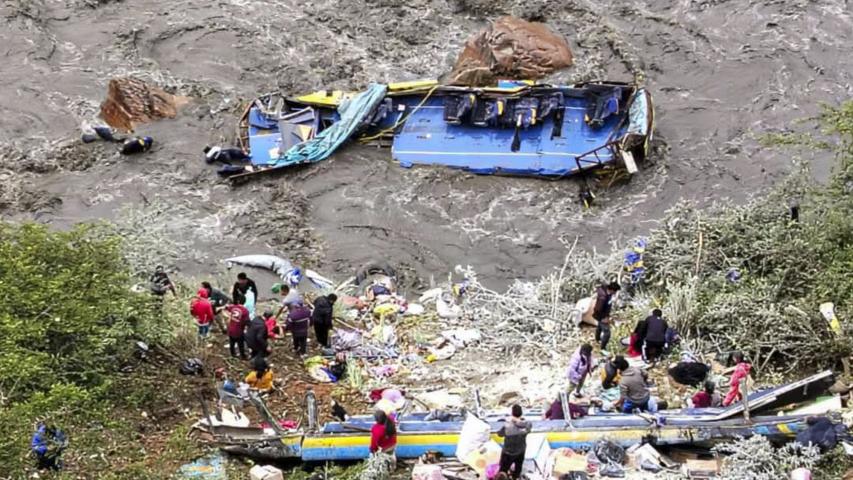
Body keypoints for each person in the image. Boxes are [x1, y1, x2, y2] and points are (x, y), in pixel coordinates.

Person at [497, 405, 531, 480]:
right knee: (518, 469)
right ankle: (516, 477)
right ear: (521, 413)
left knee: (503, 471)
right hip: (520, 451)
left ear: (512, 413)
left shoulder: (507, 425)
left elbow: (499, 434)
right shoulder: (526, 424)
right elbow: (528, 428)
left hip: (508, 452)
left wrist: (510, 420)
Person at [593, 281, 621, 352]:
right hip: (601, 316)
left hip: (603, 315)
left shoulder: (607, 293)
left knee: (599, 327)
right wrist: (603, 318)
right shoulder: (603, 297)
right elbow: (598, 309)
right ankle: (603, 348)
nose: (615, 293)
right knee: (607, 332)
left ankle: (597, 340)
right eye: (615, 291)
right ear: (611, 290)